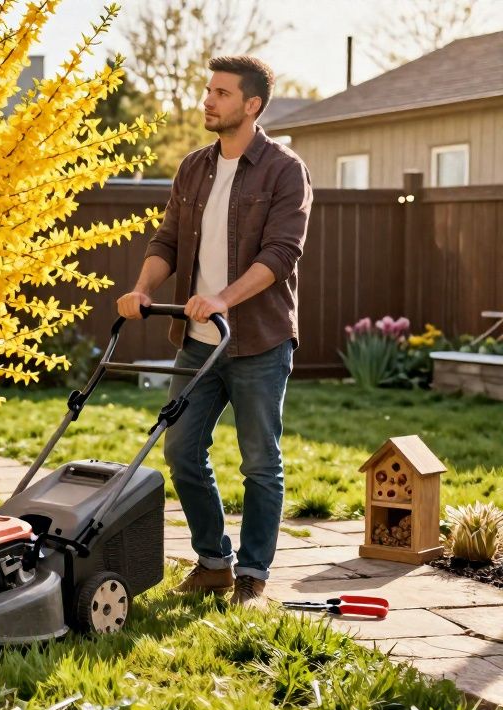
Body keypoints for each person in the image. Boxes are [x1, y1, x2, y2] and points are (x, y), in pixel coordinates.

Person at [116, 55, 313, 609]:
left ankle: (253, 573)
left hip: (258, 342)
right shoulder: (193, 168)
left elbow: (282, 254)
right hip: (198, 345)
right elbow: (167, 242)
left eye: (221, 93)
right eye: (209, 91)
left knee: (259, 462)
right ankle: (213, 562)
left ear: (252, 105)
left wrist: (223, 298)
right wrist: (144, 288)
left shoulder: (283, 169)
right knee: (180, 450)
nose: (208, 100)